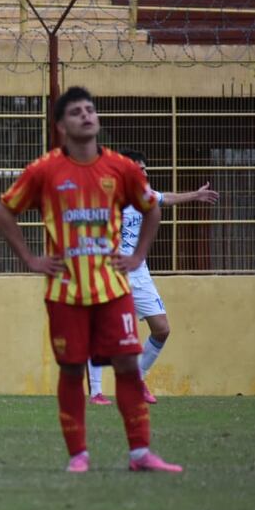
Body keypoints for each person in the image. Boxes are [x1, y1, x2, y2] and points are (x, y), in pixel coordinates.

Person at [0, 86, 182, 473]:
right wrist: (30, 258)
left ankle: (140, 453)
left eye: (90, 109)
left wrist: (138, 256)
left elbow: (152, 208)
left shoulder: (121, 168)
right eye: (77, 111)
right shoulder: (44, 170)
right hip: (65, 291)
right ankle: (78, 455)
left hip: (113, 288)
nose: (86, 115)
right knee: (71, 369)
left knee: (128, 365)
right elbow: (4, 211)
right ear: (61, 125)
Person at [86, 149, 220, 406]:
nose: (145, 173)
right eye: (140, 168)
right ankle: (96, 393)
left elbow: (165, 199)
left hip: (140, 273)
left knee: (162, 329)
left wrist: (196, 195)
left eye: (146, 168)